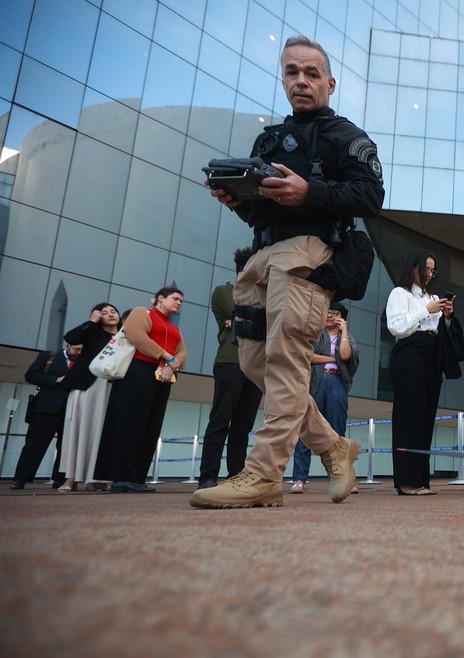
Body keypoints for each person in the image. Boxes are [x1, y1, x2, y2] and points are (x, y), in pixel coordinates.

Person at [192, 35, 384, 509]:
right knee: (256, 363)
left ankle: (263, 475)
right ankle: (335, 447)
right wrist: (237, 200)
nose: (301, 80)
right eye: (292, 72)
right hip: (261, 257)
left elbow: (371, 198)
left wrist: (311, 192)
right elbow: (264, 213)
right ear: (283, 78)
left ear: (330, 82)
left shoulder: (349, 137)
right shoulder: (269, 139)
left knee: (285, 363)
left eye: (311, 73)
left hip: (308, 257)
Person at [95, 288, 187, 493]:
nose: (179, 302)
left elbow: (182, 353)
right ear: (160, 298)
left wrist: (170, 366)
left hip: (164, 375)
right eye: (175, 298)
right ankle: (121, 478)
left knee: (151, 427)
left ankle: (137, 477)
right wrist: (167, 357)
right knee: (130, 424)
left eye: (181, 300)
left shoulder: (175, 328)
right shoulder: (143, 313)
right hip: (138, 370)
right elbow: (137, 336)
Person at [386, 250, 454, 496]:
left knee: (426, 420)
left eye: (433, 270)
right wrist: (427, 310)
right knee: (408, 419)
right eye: (426, 268)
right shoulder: (400, 293)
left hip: (431, 356)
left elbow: (440, 330)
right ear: (413, 268)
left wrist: (446, 316)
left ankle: (421, 480)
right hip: (409, 354)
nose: (430, 273)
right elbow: (396, 326)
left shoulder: (433, 296)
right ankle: (406, 482)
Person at [197, 248, 264, 490]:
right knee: (220, 419)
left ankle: (237, 474)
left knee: (243, 426)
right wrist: (249, 319)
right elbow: (251, 317)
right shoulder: (224, 291)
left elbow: (259, 320)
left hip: (256, 365)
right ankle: (207, 476)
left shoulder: (263, 295)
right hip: (231, 361)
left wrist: (242, 321)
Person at [291, 303, 359, 493]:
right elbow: (307, 356)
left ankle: (341, 478)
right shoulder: (316, 334)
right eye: (327, 312)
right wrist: (331, 359)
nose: (329, 316)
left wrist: (343, 329)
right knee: (306, 430)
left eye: (335, 313)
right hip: (316, 383)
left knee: (337, 432)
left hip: (337, 384)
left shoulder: (348, 338)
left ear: (342, 317)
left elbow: (345, 355)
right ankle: (298, 479)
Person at [58, 303, 121, 492]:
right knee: (78, 429)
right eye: (104, 312)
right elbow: (71, 337)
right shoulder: (93, 332)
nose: (110, 314)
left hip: (111, 387)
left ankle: (101, 477)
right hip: (87, 385)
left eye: (113, 311)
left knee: (103, 432)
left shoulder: (126, 336)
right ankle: (71, 478)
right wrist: (92, 321)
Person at [9, 343, 81, 490]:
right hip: (46, 408)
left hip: (71, 409)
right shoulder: (49, 356)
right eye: (76, 348)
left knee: (65, 447)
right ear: (68, 345)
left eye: (81, 349)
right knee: (35, 444)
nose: (78, 351)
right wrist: (55, 380)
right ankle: (21, 479)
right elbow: (30, 375)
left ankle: (59, 480)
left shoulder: (84, 361)